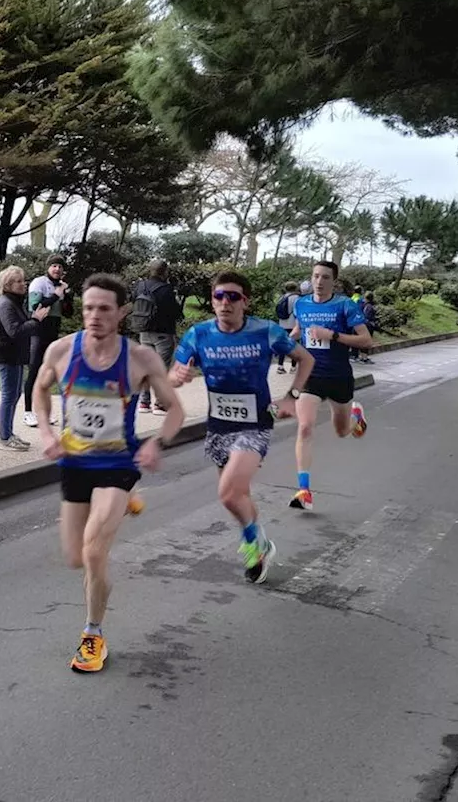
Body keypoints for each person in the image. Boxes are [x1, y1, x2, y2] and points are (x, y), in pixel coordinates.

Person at [33, 274, 184, 673]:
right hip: (75, 463)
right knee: (73, 558)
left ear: (122, 312)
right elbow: (40, 389)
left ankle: (92, 634)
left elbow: (176, 410)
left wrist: (156, 443)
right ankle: (121, 506)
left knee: (95, 552)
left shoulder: (140, 359)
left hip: (118, 464)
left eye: (104, 309)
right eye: (87, 308)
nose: (95, 316)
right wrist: (47, 432)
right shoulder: (62, 350)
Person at [170, 270, 314, 584]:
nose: (225, 302)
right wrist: (176, 378)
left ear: (244, 302)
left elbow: (306, 359)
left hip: (255, 424)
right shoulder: (198, 334)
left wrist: (291, 396)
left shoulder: (266, 331)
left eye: (233, 296)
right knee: (240, 495)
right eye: (219, 296)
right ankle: (256, 543)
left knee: (227, 494)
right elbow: (174, 373)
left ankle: (255, 541)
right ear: (212, 301)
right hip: (218, 426)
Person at [289, 260, 373, 511]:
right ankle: (304, 491)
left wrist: (332, 335)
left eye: (325, 277)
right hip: (311, 375)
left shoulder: (345, 305)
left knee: (341, 431)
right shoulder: (302, 304)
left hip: (339, 377)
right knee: (304, 427)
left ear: (333, 281)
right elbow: (298, 331)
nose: (319, 281)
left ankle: (356, 419)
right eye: (315, 276)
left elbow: (366, 340)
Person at [0, 265, 51, 451]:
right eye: (18, 281)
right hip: (6, 356)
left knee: (14, 395)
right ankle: (4, 438)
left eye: (23, 280)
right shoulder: (5, 303)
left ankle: (8, 433)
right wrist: (35, 320)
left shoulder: (15, 302)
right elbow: (15, 331)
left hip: (15, 356)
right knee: (8, 397)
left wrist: (32, 319)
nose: (23, 284)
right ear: (8, 285)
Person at [23, 255, 72, 428]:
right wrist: (55, 295)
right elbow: (36, 305)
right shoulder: (39, 282)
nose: (57, 269)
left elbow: (68, 313)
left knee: (48, 373)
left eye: (59, 266)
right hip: (38, 331)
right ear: (48, 267)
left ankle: (43, 412)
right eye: (54, 266)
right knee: (34, 371)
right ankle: (28, 412)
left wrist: (66, 296)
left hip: (53, 331)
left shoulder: (61, 286)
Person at [129, 259, 182, 415]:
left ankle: (144, 403)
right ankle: (159, 404)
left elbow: (134, 303)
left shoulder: (140, 286)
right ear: (164, 272)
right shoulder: (166, 289)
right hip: (163, 335)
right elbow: (177, 313)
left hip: (144, 333)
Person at [274, 281, 299, 374]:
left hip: (282, 325)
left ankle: (280, 366)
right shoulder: (297, 298)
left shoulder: (282, 298)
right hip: (294, 326)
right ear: (295, 288)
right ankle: (293, 368)